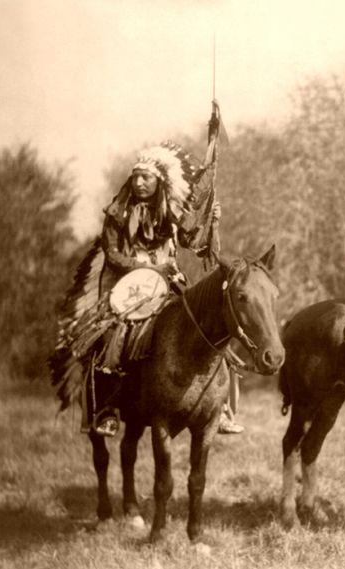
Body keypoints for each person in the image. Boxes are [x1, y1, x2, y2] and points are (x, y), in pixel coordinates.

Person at [92, 141, 242, 437]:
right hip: (126, 286)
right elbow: (112, 254)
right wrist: (147, 268)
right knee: (112, 334)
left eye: (145, 177)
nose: (139, 182)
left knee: (210, 325)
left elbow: (196, 244)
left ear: (158, 181)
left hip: (169, 282)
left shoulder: (171, 212)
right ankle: (107, 409)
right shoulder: (117, 212)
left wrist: (213, 221)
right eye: (136, 176)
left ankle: (221, 407)